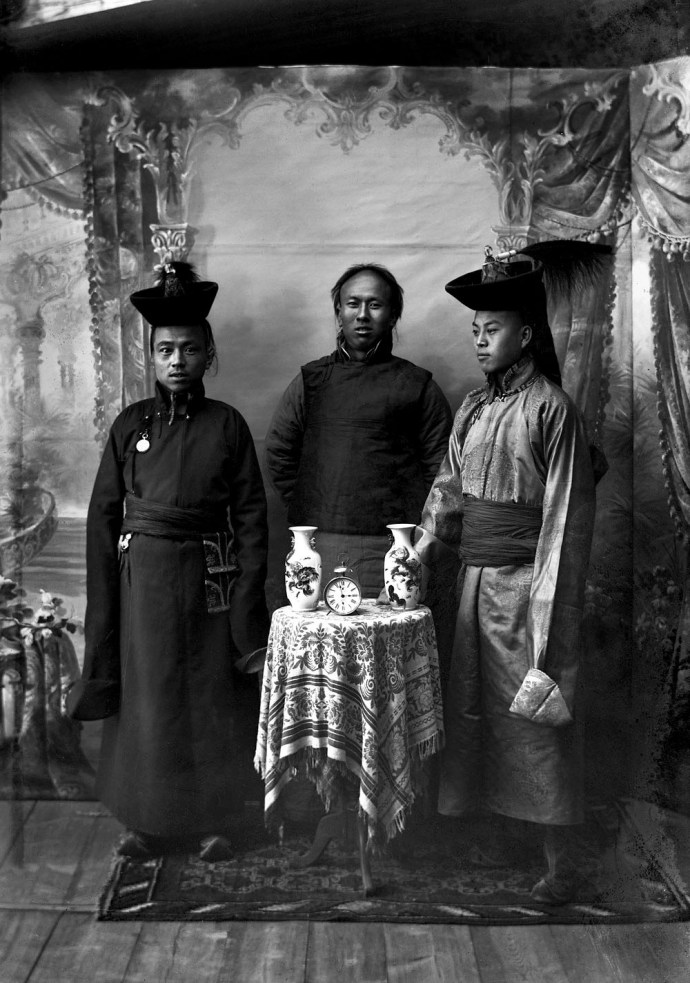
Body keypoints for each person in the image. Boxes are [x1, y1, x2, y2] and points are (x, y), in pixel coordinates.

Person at [416, 242, 608, 903]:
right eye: (473, 330)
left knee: (535, 713)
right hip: (472, 586)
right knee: (475, 712)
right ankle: (498, 833)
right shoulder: (472, 409)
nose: (478, 341)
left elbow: (563, 527)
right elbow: (447, 494)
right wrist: (412, 554)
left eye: (490, 329)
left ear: (525, 334)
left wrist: (548, 626)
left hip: (529, 588)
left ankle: (561, 859)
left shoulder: (552, 409)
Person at [67, 262, 269, 862]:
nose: (177, 360)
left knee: (209, 700)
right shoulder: (130, 427)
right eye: (164, 350)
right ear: (150, 357)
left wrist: (246, 597)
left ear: (209, 355)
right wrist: (107, 599)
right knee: (148, 699)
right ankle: (145, 822)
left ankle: (215, 820)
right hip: (144, 586)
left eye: (188, 349)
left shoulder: (227, 425)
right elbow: (105, 518)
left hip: (210, 581)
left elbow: (253, 519)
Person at [265, 263, 452, 595]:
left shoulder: (417, 386)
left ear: (393, 315)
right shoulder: (311, 381)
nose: (362, 314)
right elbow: (280, 452)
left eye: (374, 304)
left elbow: (443, 471)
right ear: (339, 312)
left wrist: (411, 532)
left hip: (395, 548)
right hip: (318, 546)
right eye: (353, 304)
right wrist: (313, 504)